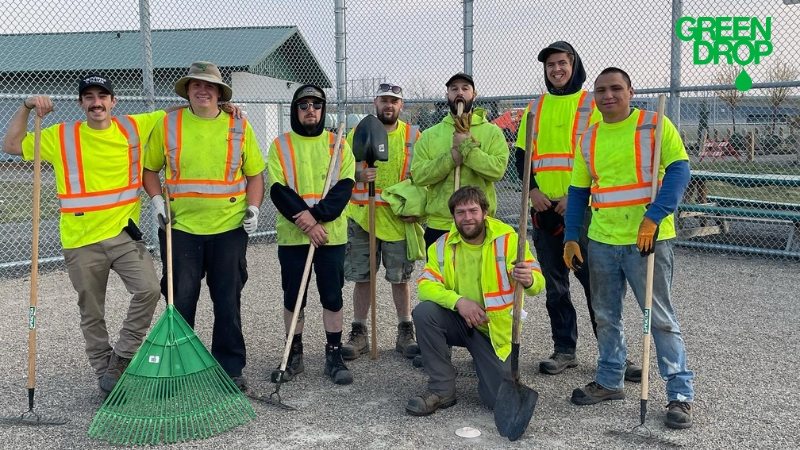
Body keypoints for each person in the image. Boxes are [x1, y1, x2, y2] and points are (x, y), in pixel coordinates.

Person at [1, 74, 164, 398]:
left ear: (113, 101)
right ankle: (105, 376)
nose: (96, 102)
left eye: (102, 96)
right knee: (92, 312)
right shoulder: (62, 136)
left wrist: (226, 107)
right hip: (80, 241)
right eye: (88, 97)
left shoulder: (134, 126)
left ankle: (121, 358)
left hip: (123, 235)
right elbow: (11, 146)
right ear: (80, 104)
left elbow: (180, 113)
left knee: (149, 290)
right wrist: (25, 105)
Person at [564, 67, 695, 429]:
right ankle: (610, 380)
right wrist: (571, 236)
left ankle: (679, 394)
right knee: (605, 315)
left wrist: (654, 216)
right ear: (594, 96)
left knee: (660, 318)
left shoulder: (654, 125)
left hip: (647, 238)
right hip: (603, 240)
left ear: (630, 91)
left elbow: (680, 171)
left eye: (616, 88)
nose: (608, 95)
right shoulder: (589, 138)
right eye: (601, 90)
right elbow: (578, 191)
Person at [514, 41, 642, 381]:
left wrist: (578, 196)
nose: (556, 69)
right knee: (555, 286)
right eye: (550, 65)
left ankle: (613, 356)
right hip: (544, 210)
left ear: (574, 66)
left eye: (562, 63)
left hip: (582, 209)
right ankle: (565, 350)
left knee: (597, 286)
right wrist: (532, 191)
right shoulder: (535, 108)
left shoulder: (592, 103)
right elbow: (522, 158)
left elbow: (606, 150)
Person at [142, 61, 265, 392]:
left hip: (228, 228)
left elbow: (255, 174)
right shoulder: (169, 124)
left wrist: (253, 207)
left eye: (209, 85)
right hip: (181, 228)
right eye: (196, 84)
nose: (202, 90)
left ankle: (229, 369)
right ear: (187, 91)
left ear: (220, 93)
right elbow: (150, 170)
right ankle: (180, 366)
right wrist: (156, 202)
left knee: (227, 300)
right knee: (180, 300)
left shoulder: (239, 126)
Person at [406, 186, 545, 416]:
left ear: (485, 212)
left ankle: (491, 369)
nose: (467, 218)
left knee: (495, 401)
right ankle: (442, 390)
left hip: (494, 331)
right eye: (460, 213)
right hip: (460, 321)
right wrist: (459, 301)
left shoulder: (510, 240)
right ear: (453, 216)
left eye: (473, 211)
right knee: (424, 313)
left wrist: (529, 280)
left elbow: (538, 284)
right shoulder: (441, 246)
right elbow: (425, 286)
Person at [267, 84, 356, 385]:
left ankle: (334, 353)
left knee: (332, 295)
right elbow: (278, 190)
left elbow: (344, 187)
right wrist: (307, 223)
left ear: (323, 109)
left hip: (330, 235)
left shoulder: (339, 145)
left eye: (316, 105)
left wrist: (317, 217)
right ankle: (294, 354)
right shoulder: (280, 145)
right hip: (294, 237)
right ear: (295, 109)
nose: (310, 110)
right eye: (303, 105)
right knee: (294, 297)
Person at [341, 83, 422, 360]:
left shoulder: (413, 136)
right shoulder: (357, 133)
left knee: (400, 278)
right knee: (362, 277)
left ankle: (405, 331)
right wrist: (358, 176)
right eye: (385, 100)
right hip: (363, 215)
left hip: (398, 218)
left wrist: (419, 210)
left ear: (401, 106)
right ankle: (360, 332)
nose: (389, 105)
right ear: (375, 102)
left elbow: (423, 178)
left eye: (395, 101)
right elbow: (337, 171)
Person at [411, 73, 509, 249]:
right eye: (454, 89)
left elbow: (497, 171)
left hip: (479, 223)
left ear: (474, 95)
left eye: (465, 88)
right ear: (447, 95)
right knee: (439, 276)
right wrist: (451, 159)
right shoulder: (430, 135)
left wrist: (467, 149)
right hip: (441, 224)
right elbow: (419, 175)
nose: (459, 92)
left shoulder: (492, 132)